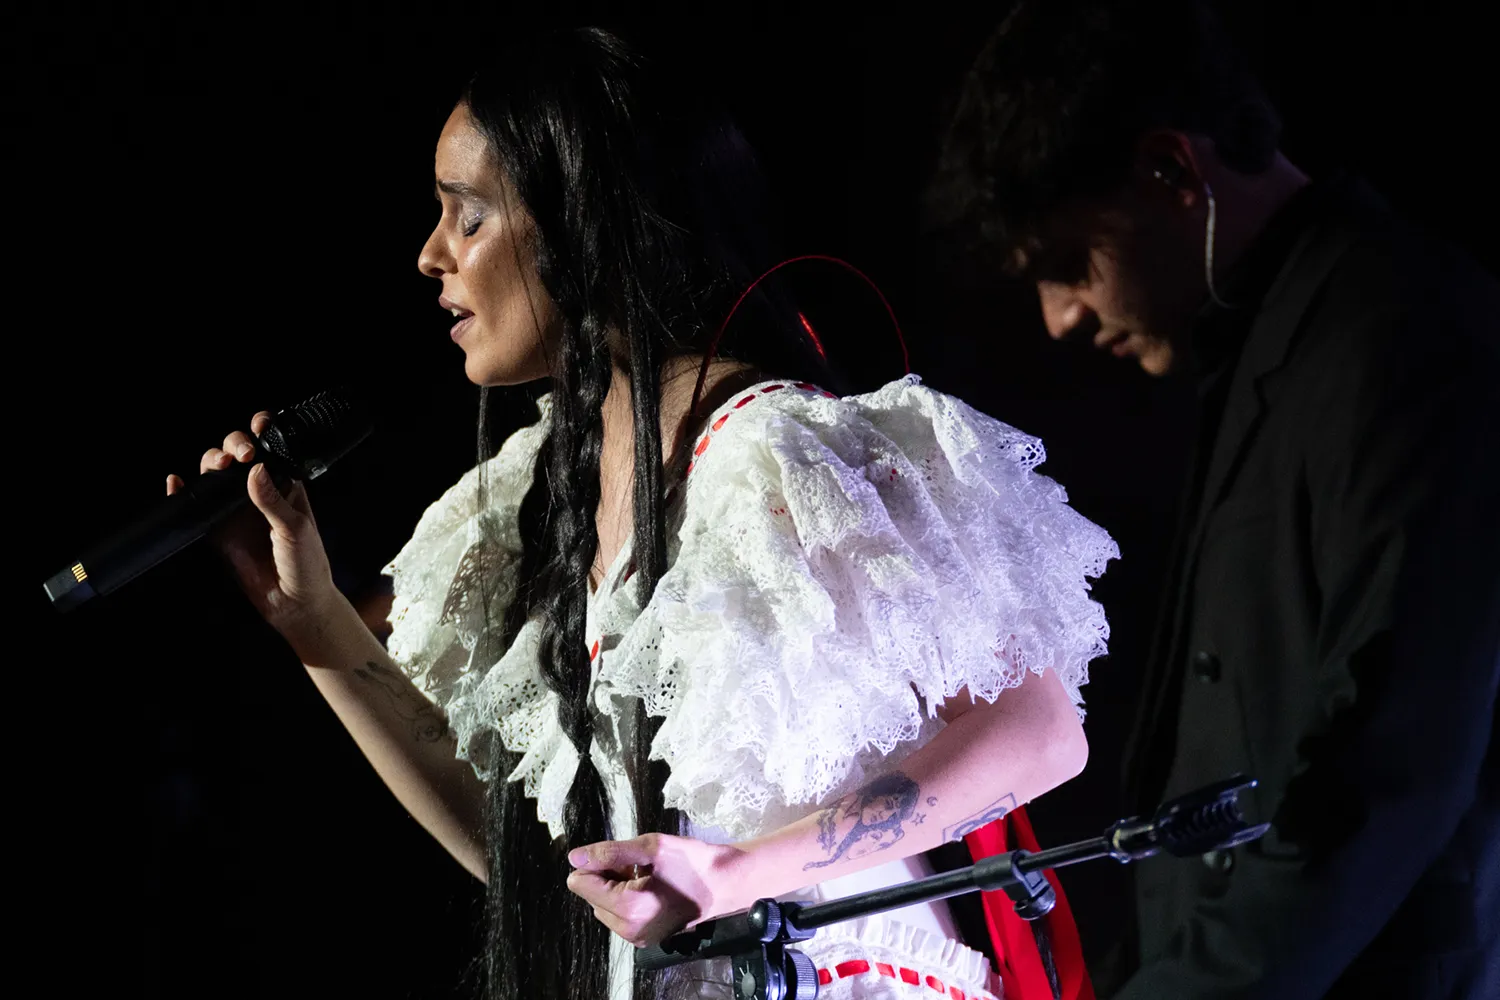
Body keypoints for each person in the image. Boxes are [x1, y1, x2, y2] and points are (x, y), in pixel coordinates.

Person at [170, 27, 1118, 1000]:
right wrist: (314, 619)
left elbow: (1041, 731)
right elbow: (532, 862)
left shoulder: (776, 458)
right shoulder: (529, 501)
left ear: (581, 223)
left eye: (468, 216)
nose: (430, 256)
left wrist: (736, 875)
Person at [931, 1, 1500, 997]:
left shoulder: (1404, 328)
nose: (1061, 317)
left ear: (1172, 172)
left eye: (1071, 264)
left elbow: (1394, 759)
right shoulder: (1281, 331)